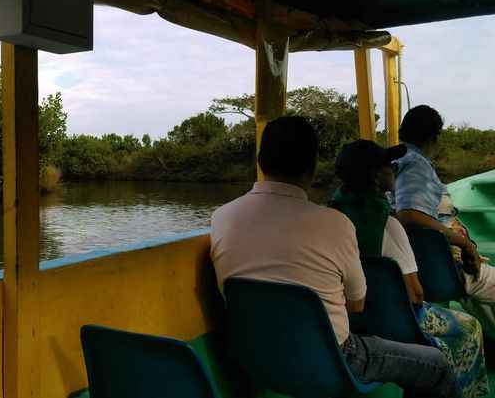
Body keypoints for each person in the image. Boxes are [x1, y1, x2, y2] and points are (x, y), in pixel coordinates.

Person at [211, 116, 459, 398]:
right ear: (312, 167)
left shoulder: (221, 218)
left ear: (260, 160)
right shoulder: (335, 224)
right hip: (336, 360)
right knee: (437, 365)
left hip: (255, 357)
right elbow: (356, 304)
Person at [331, 139, 488, 398]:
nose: (394, 169)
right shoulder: (388, 225)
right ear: (375, 175)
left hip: (347, 321)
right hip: (392, 323)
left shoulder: (332, 217)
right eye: (389, 165)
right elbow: (415, 295)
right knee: (470, 328)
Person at [393, 105, 495, 339]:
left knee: (480, 299)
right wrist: (465, 244)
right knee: (480, 284)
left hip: (429, 265)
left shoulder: (393, 163)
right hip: (445, 267)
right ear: (434, 136)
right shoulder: (416, 164)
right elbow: (409, 215)